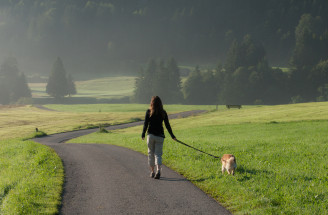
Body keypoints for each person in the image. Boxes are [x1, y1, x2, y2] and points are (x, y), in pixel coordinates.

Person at [142, 96, 176, 179]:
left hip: (150, 135)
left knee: (151, 153)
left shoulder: (149, 111)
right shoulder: (163, 112)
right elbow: (167, 125)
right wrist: (172, 135)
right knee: (158, 154)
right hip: (160, 136)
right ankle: (158, 170)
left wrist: (143, 134)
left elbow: (145, 124)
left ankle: (152, 172)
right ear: (160, 103)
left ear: (152, 103)